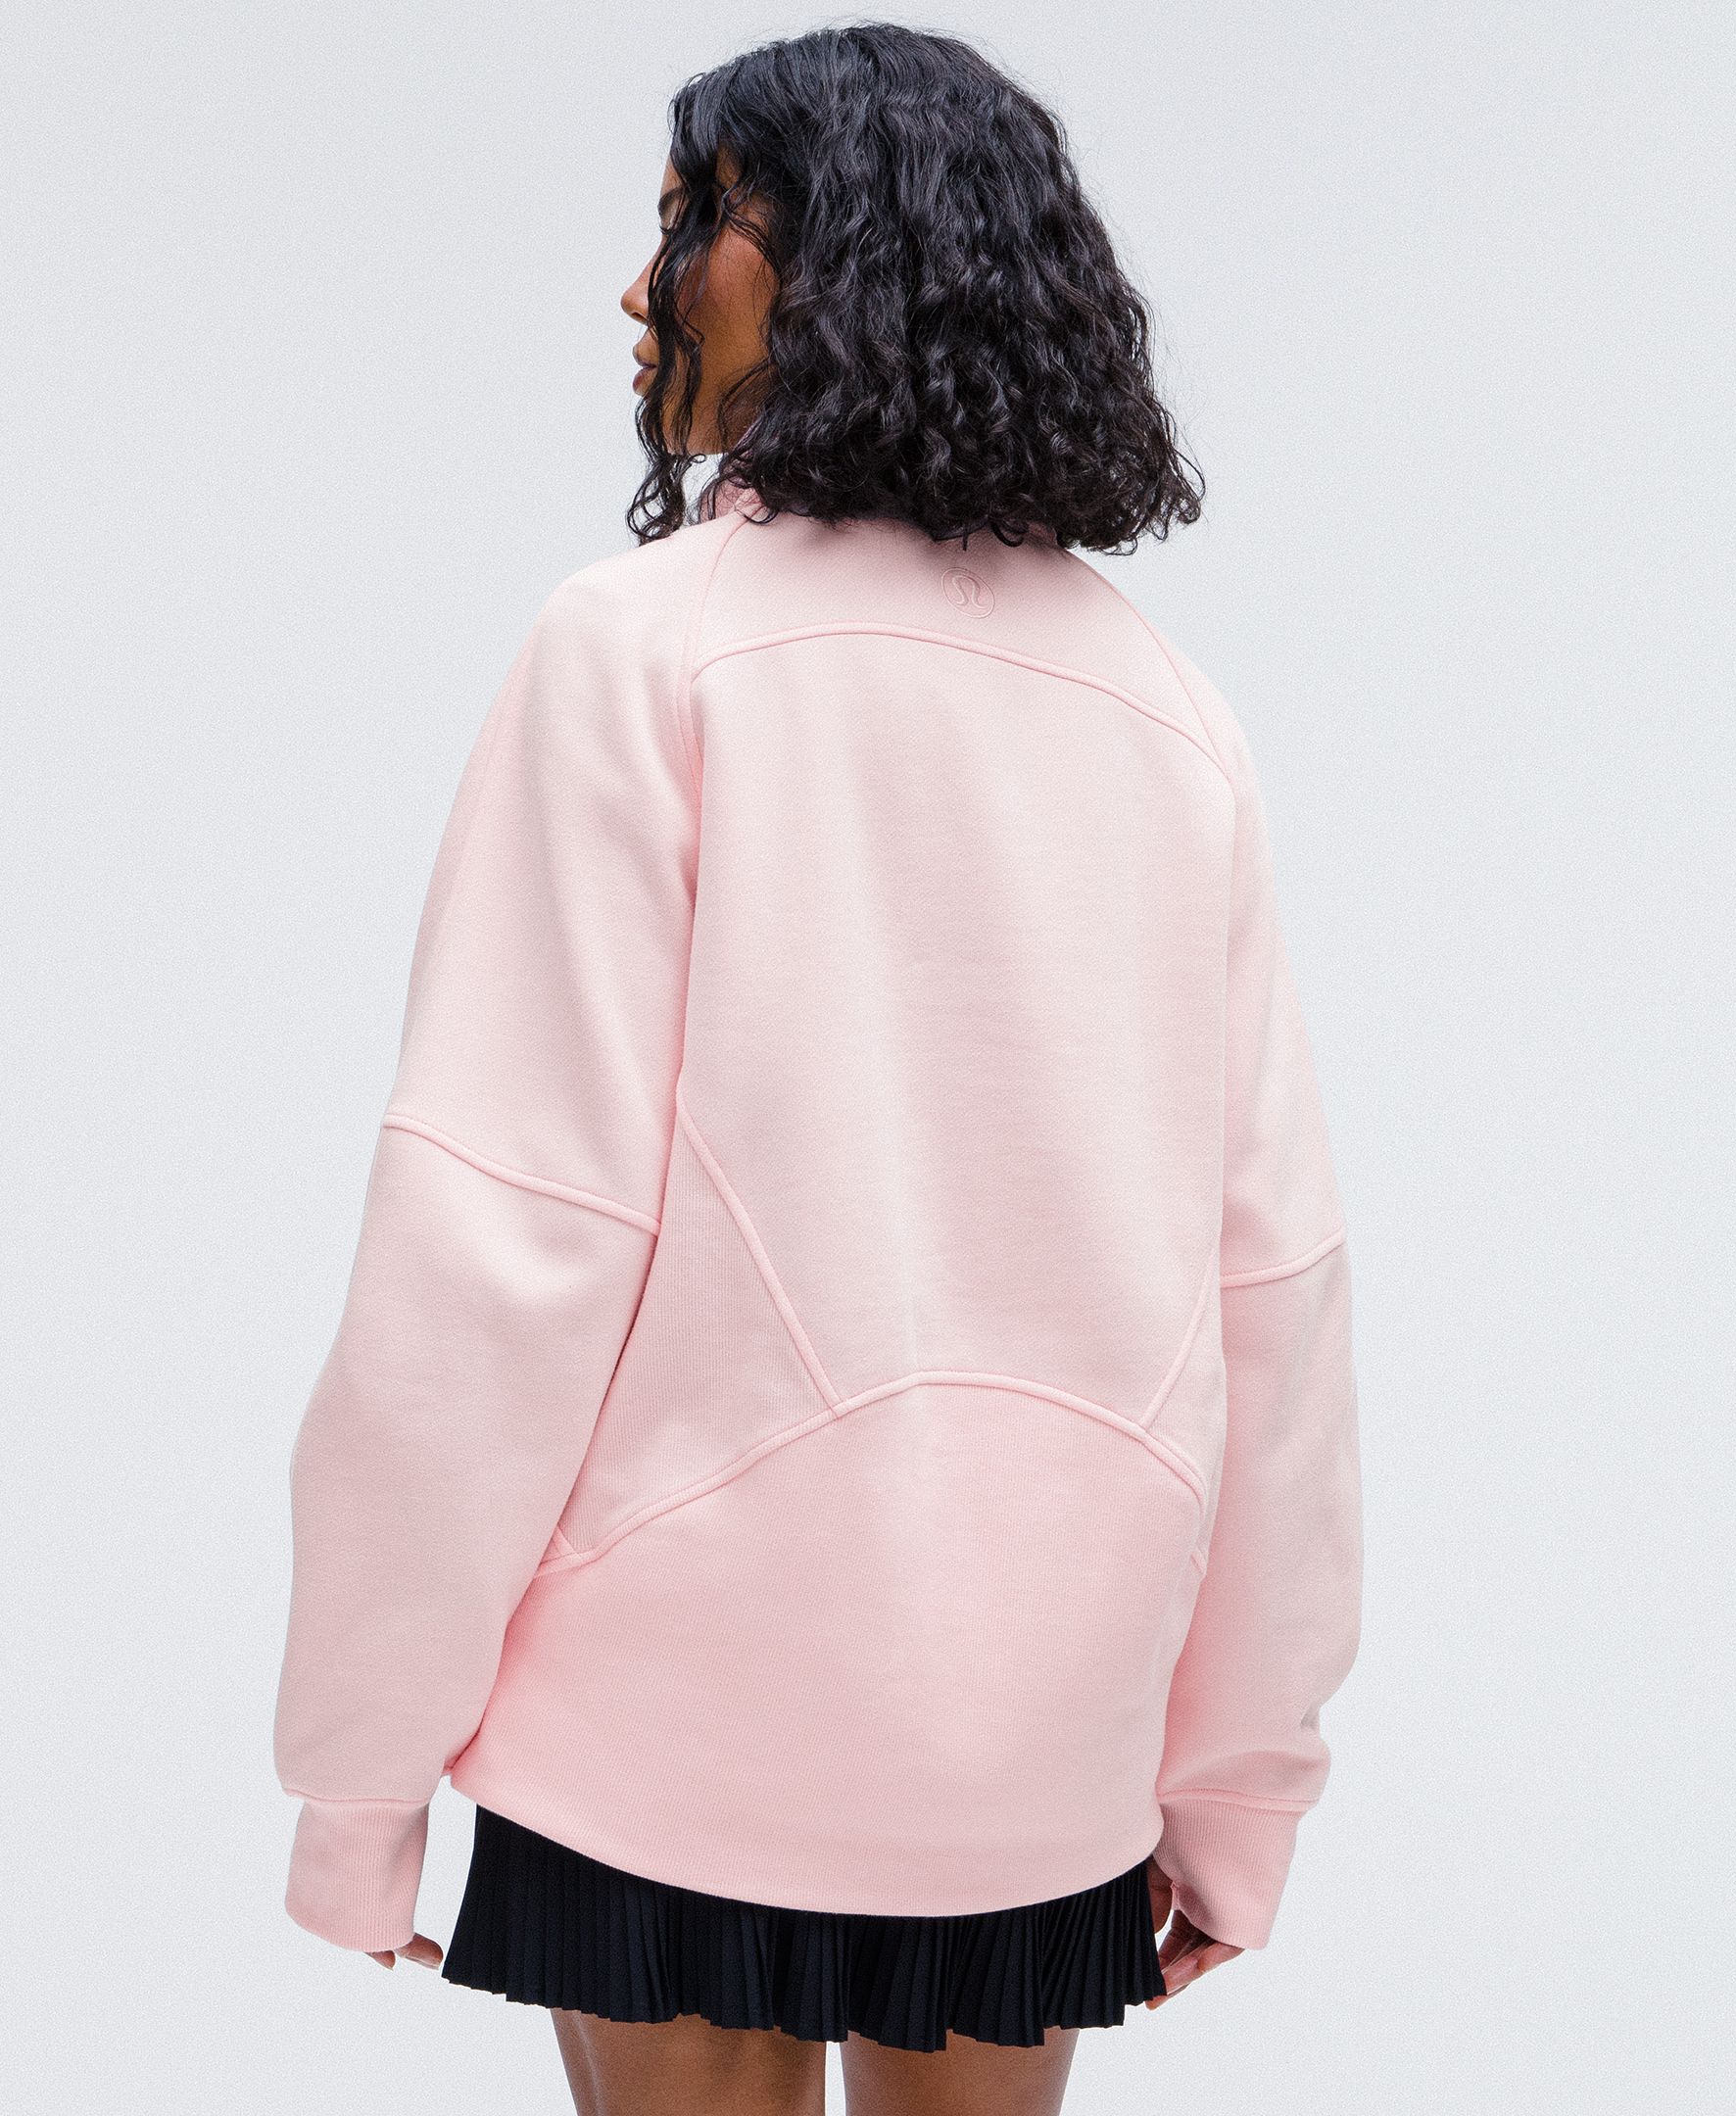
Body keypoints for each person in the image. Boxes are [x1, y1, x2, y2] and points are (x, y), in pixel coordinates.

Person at [272, 22, 1363, 2115]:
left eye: (700, 217)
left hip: (664, 1720)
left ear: (849, 265)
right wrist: (1243, 1783)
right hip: (1032, 1744)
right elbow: (1272, 1300)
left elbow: (499, 1249)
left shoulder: (642, 649)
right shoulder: (1167, 712)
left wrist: (357, 1769)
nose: (642, 282)